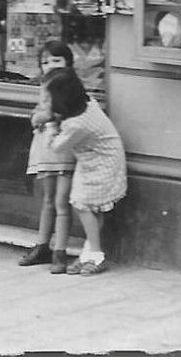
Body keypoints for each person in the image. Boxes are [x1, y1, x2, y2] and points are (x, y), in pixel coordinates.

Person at [46, 67, 127, 275]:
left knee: (83, 205)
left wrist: (50, 126)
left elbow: (56, 147)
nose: (46, 102)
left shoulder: (76, 125)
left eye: (49, 98)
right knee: (91, 207)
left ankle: (97, 255)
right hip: (97, 158)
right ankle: (87, 253)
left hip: (103, 162)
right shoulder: (87, 102)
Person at [18, 39, 76, 270]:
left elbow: (57, 113)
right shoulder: (44, 86)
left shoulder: (70, 87)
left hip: (64, 149)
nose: (50, 65)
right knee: (48, 200)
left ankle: (60, 251)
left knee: (62, 202)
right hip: (46, 149)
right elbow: (38, 113)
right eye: (45, 62)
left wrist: (41, 117)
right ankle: (42, 245)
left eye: (56, 60)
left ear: (68, 63)